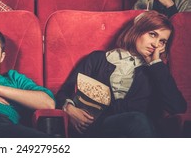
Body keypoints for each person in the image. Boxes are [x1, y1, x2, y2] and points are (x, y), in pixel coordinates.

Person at [56, 11, 186, 138]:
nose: (156, 44)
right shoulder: (98, 59)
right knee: (136, 120)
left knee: (138, 120)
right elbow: (64, 92)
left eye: (162, 41)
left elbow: (178, 107)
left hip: (138, 134)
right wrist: (69, 109)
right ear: (137, 30)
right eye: (152, 34)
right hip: (100, 130)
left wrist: (156, 64)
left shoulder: (157, 70)